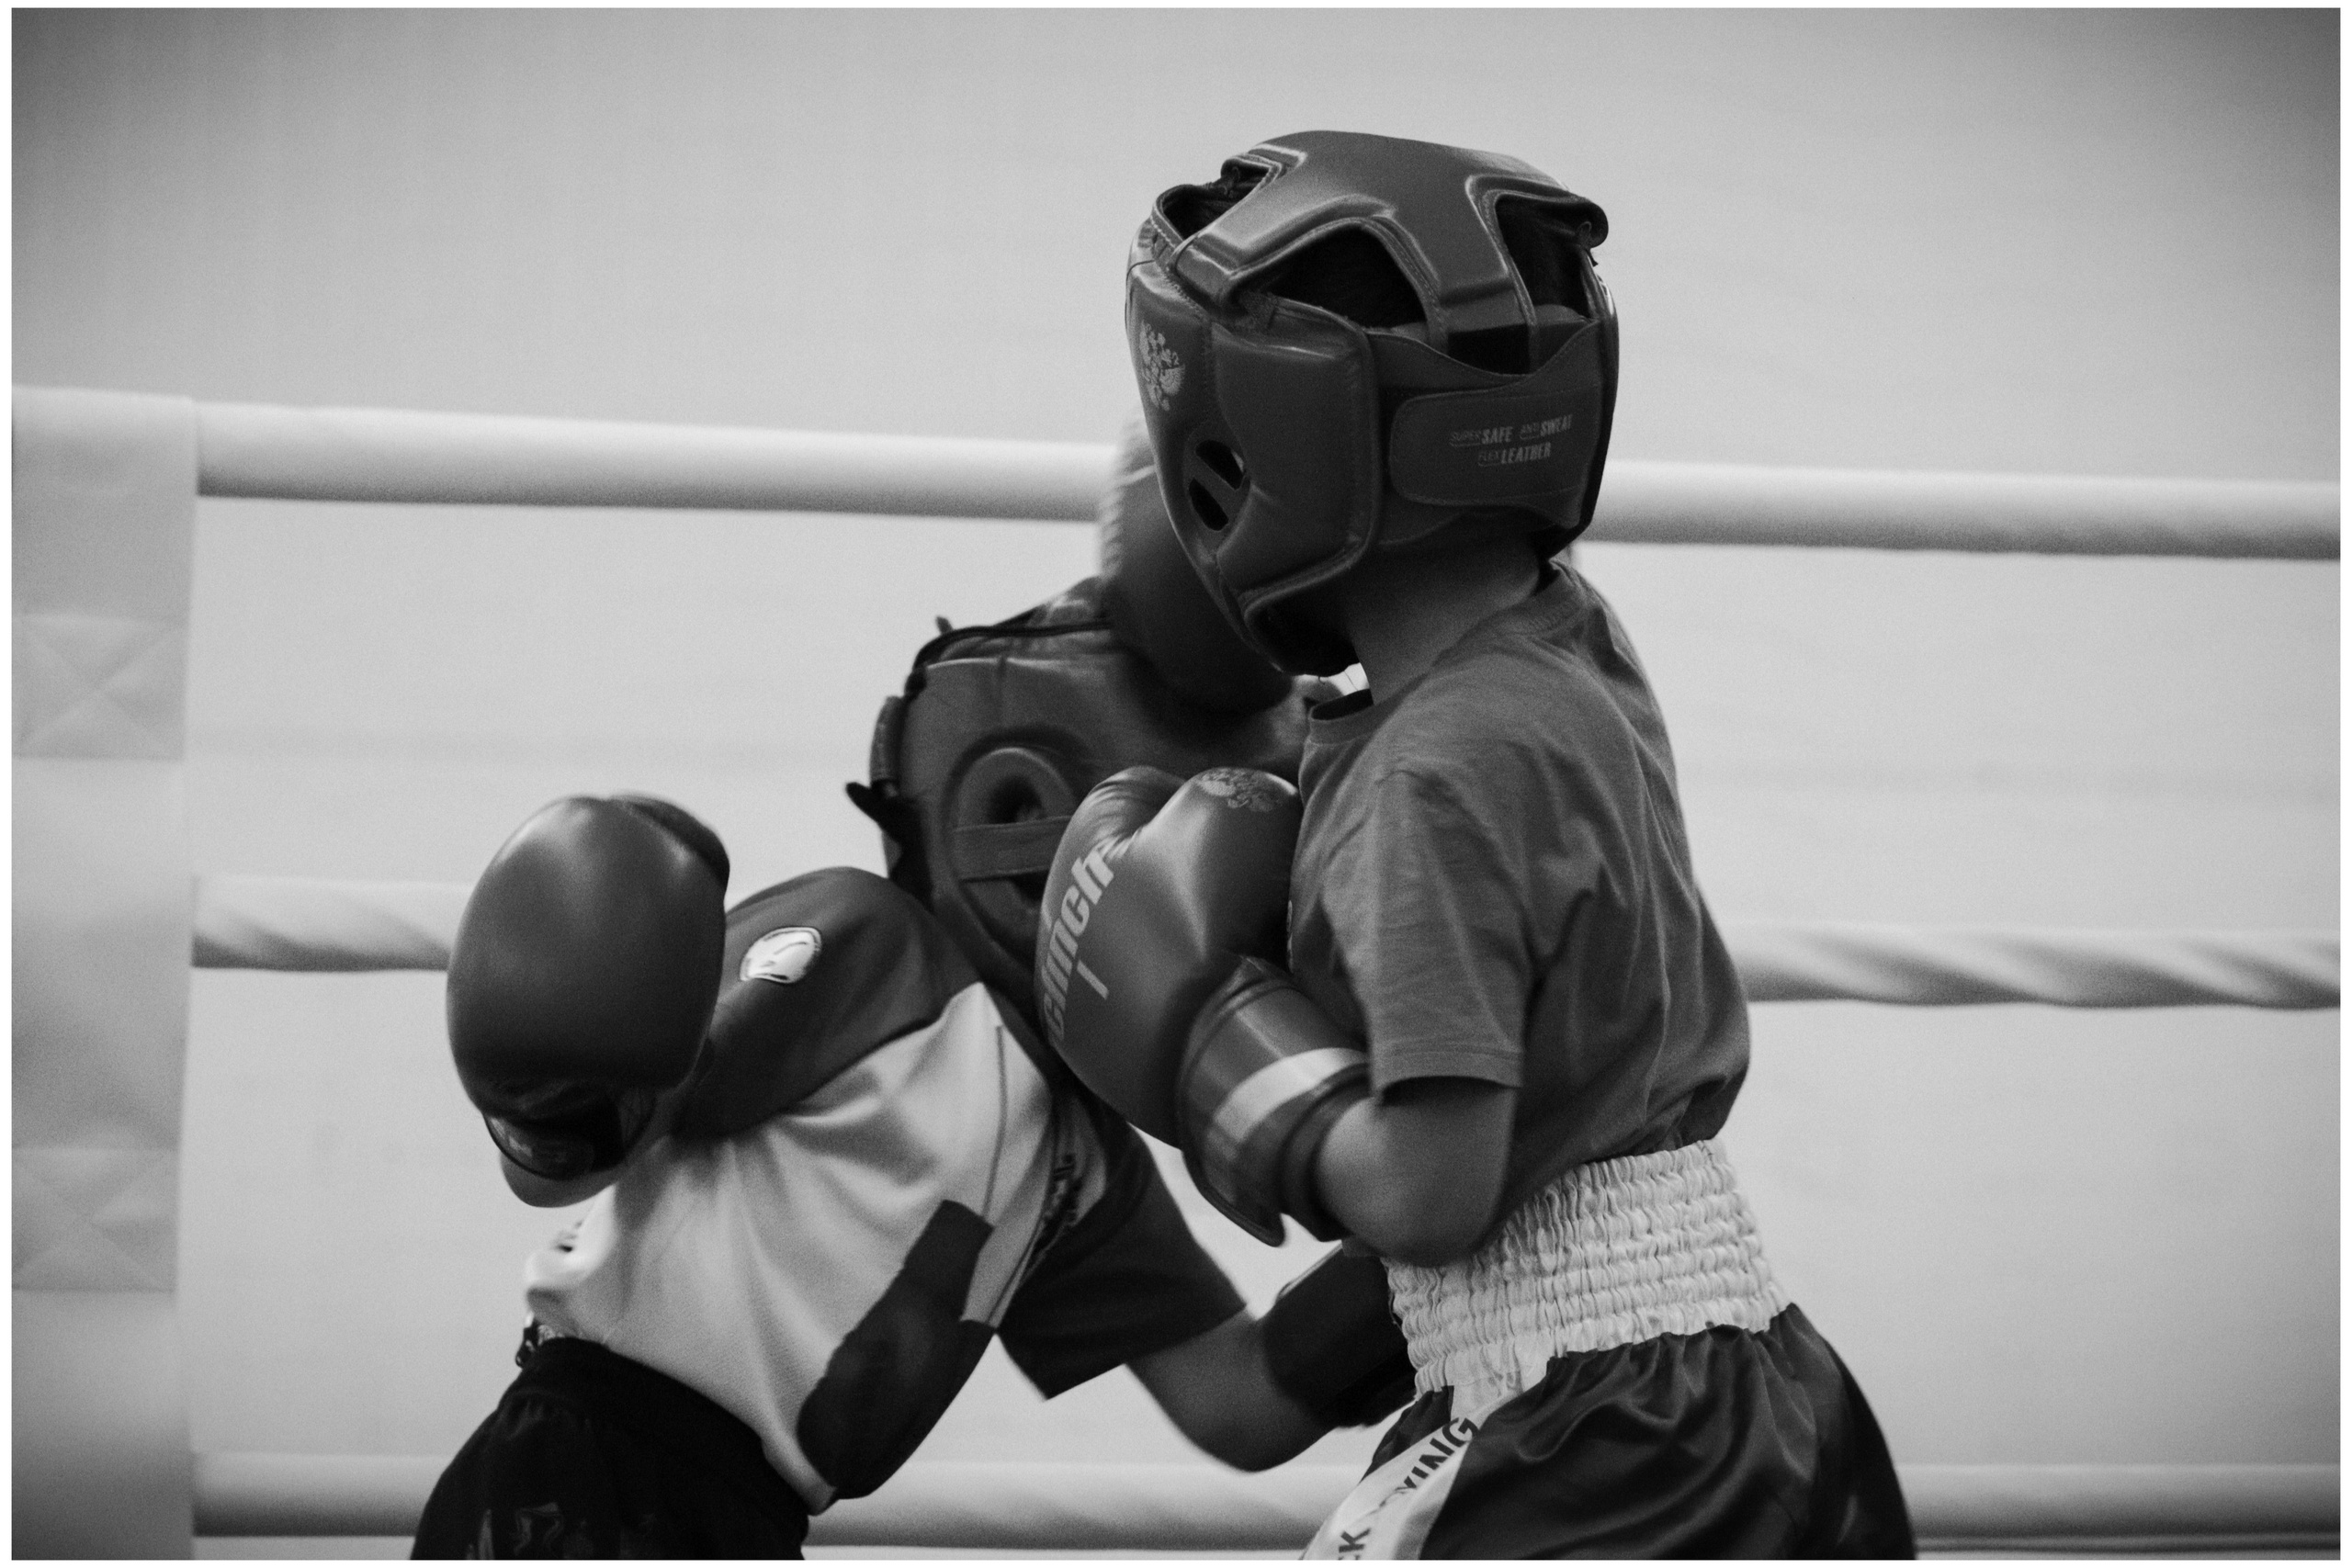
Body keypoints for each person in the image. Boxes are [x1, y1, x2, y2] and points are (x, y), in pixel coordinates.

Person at [1039, 130, 1917, 1558]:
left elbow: (1429, 1191)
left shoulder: (1428, 781)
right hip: (1733, 1370)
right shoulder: (1570, 647)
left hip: (1585, 1428)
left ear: (1255, 446)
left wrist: (1217, 1057)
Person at [412, 479, 1415, 1559]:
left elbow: (1240, 1400)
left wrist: (1429, 1225)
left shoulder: (1084, 1167)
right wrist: (551, 1080)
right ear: (1018, 804)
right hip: (583, 1453)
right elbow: (610, 1105)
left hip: (743, 1518)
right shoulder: (869, 941)